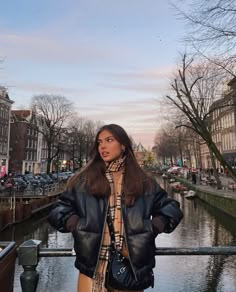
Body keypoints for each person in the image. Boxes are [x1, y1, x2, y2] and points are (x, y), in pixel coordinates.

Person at [48, 124, 183, 292]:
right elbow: (57, 210)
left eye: (109, 140)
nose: (102, 146)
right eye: (99, 142)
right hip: (93, 269)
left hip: (130, 269)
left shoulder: (143, 182)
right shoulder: (83, 181)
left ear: (123, 145)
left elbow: (172, 208)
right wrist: (76, 224)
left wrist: (151, 228)